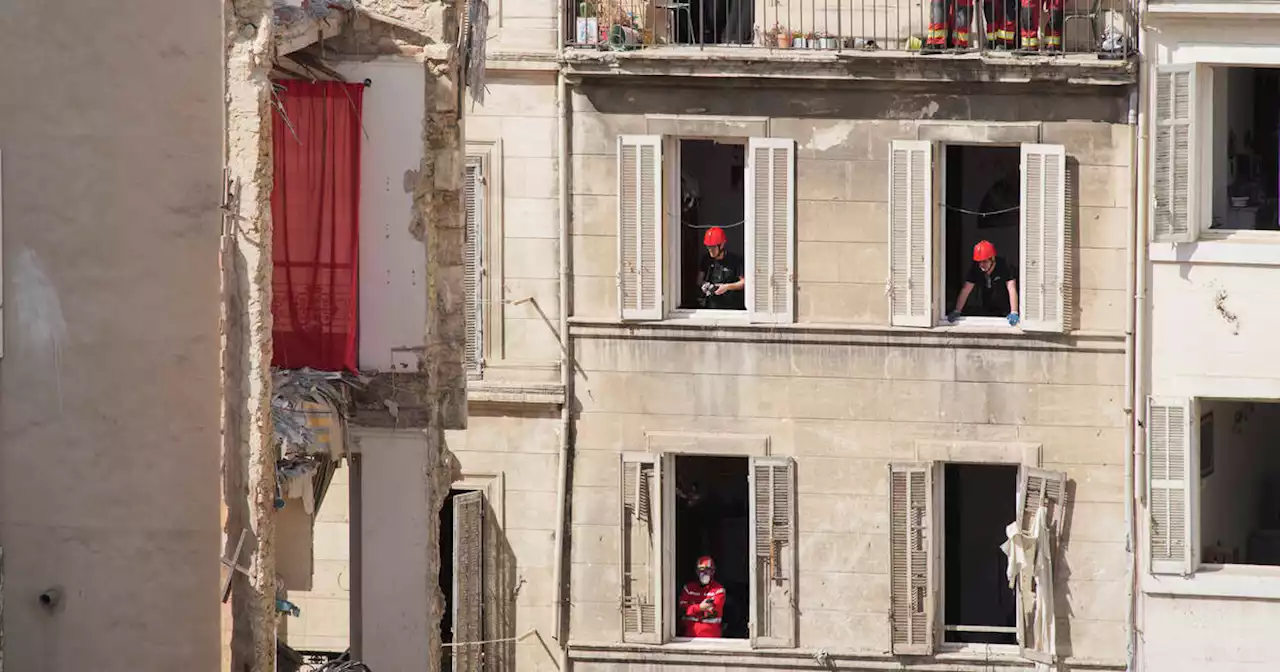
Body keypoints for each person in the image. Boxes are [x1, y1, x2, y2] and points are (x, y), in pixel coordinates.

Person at [948, 240, 1020, 326]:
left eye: (984, 261)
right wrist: (957, 310)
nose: (981, 265)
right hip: (987, 305)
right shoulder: (976, 268)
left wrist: (1014, 312)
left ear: (992, 259)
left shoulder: (1005, 266)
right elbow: (966, 289)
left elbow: (1012, 288)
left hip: (1005, 305)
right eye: (979, 262)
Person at [697, 227, 745, 310]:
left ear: (722, 244)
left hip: (732, 307)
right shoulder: (706, 259)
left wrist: (726, 287)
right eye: (708, 247)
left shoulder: (735, 260)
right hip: (711, 306)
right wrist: (704, 285)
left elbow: (743, 283)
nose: (710, 250)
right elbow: (699, 280)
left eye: (713, 247)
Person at [678, 556, 726, 638]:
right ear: (696, 571)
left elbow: (712, 612)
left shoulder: (719, 590)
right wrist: (700, 607)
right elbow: (683, 610)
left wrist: (692, 607)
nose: (704, 573)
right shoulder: (688, 588)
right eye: (701, 570)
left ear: (713, 571)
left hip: (711, 637)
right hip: (690, 636)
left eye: (708, 570)